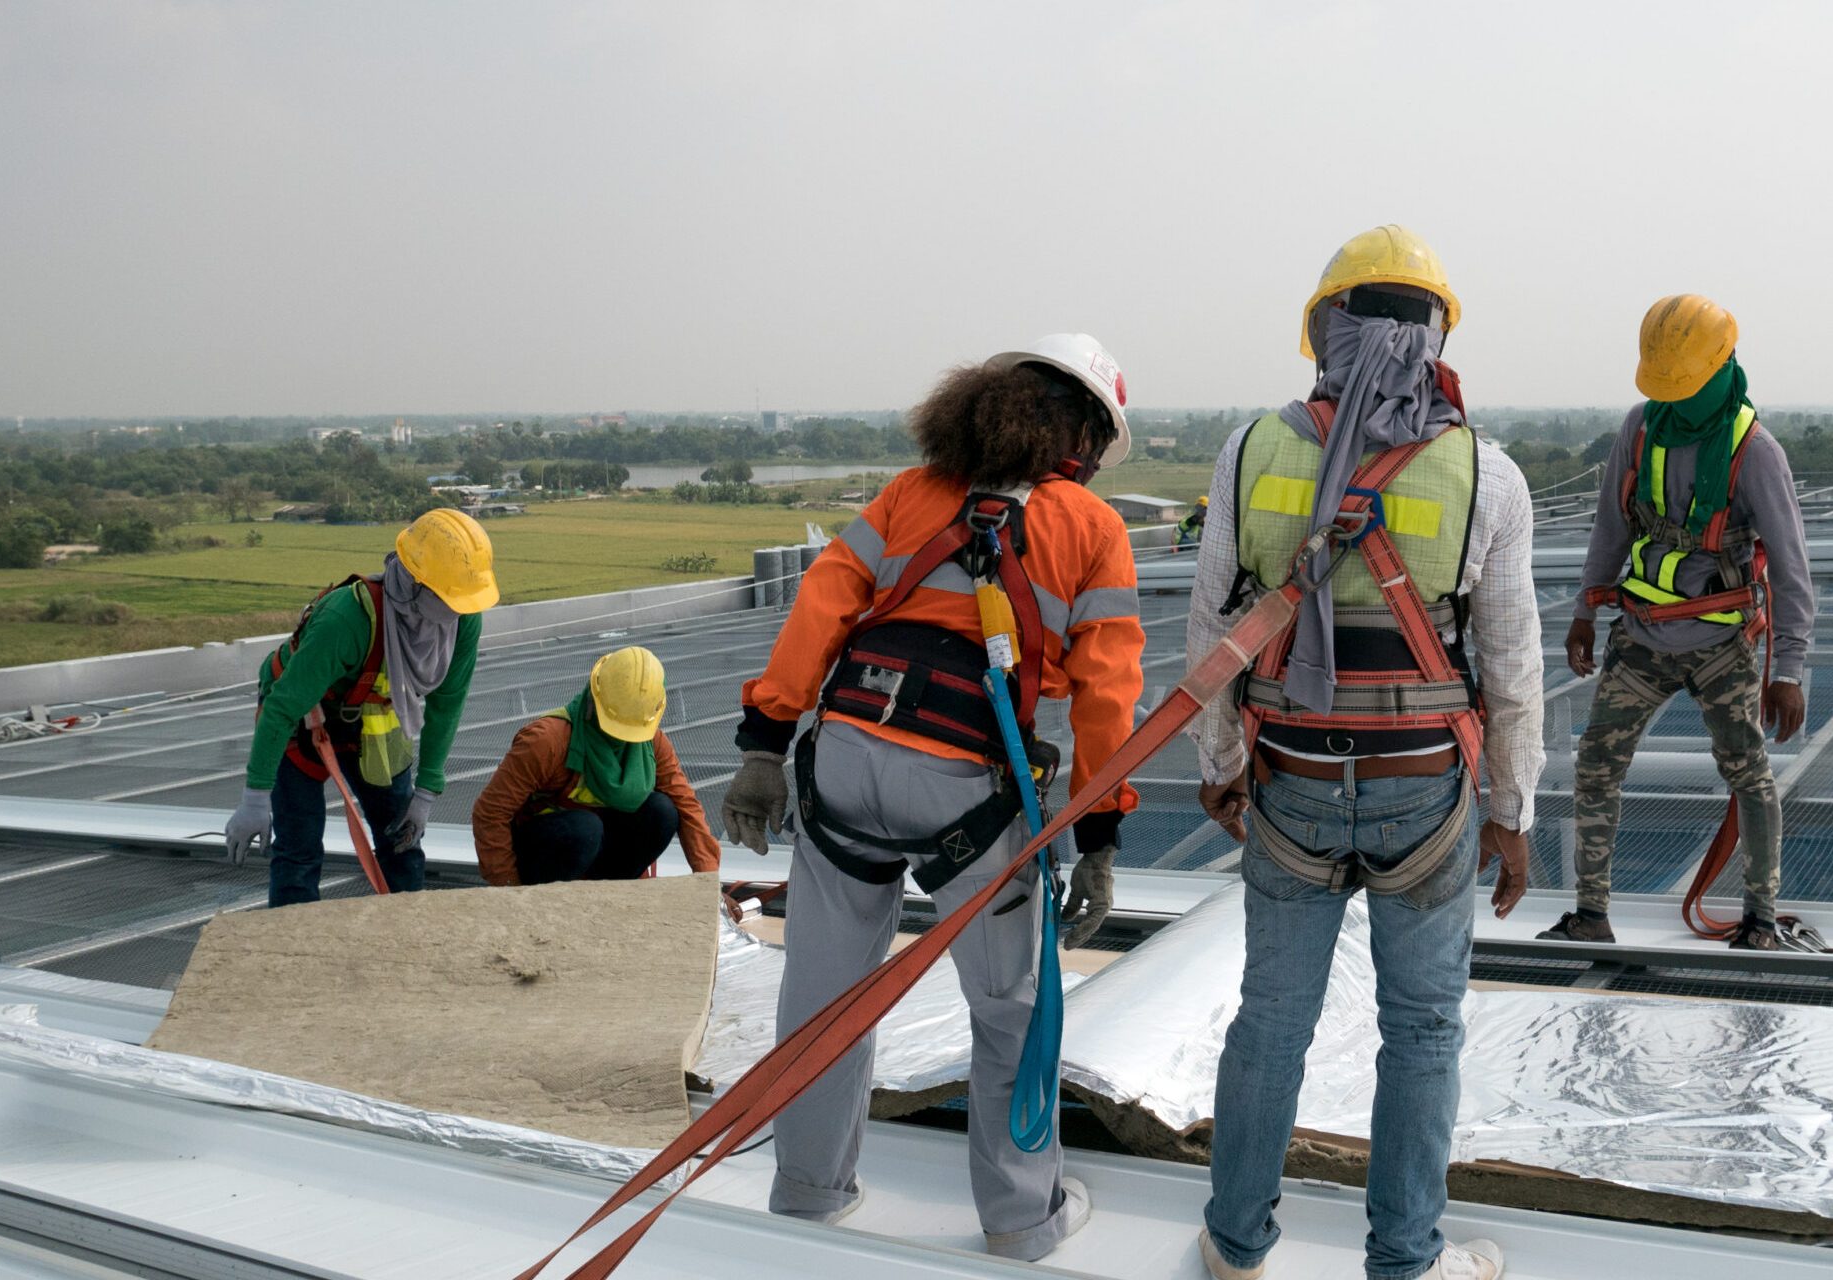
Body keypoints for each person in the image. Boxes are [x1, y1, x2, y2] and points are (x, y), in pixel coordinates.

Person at [722, 335, 1144, 1261]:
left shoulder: (912, 493)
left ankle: (808, 1192)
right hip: (965, 787)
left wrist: (762, 746)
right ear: (1081, 436)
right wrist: (1100, 838)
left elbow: (822, 604)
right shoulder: (1091, 527)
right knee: (1008, 1009)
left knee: (824, 994)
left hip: (844, 759)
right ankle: (1022, 1220)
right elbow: (1107, 699)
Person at [1189, 225, 1535, 1280]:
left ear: (1325, 330)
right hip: (1421, 791)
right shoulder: (1486, 474)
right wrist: (1512, 812)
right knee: (1421, 1028)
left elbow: (1212, 633)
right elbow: (1510, 665)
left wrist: (1220, 765)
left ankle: (1236, 1243)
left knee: (1270, 1019)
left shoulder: (1250, 451)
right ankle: (1406, 1258)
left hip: (1289, 780)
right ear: (1436, 338)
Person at [1548, 294, 1814, 948]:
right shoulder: (1642, 428)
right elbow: (1611, 526)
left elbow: (1791, 569)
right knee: (1596, 765)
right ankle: (1591, 915)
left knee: (1747, 773)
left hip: (1720, 642)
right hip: (1642, 634)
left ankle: (1759, 919)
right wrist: (1585, 608)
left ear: (1719, 367)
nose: (1674, 396)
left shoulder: (1755, 452)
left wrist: (1788, 672)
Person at [223, 508, 494, 908]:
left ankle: (406, 930)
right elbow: (282, 708)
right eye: (449, 597)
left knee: (401, 842)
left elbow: (447, 703)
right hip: (302, 720)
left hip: (374, 723)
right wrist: (255, 797)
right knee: (299, 848)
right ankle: (295, 939)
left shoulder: (462, 620)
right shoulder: (348, 619)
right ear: (414, 583)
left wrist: (425, 793)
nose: (459, 609)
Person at [469, 646, 722, 886]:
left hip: (598, 853)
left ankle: (610, 894)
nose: (623, 738)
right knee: (584, 828)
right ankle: (552, 897)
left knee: (661, 811)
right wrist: (509, 887)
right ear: (592, 699)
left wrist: (708, 883)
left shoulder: (651, 743)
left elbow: (685, 805)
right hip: (546, 852)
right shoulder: (548, 741)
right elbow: (491, 812)